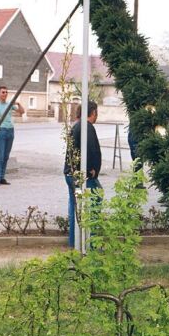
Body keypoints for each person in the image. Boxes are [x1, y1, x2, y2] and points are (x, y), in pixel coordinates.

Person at [64, 101, 103, 248]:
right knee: (93, 201)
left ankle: (75, 242)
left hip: (72, 174)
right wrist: (91, 169)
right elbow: (90, 150)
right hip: (82, 177)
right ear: (93, 113)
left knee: (76, 207)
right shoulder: (87, 128)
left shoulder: (76, 126)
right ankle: (90, 242)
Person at [0, 86, 25, 187]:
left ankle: (2, 177)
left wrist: (18, 104)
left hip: (10, 131)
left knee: (6, 156)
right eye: (3, 92)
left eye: (6, 92)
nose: (5, 94)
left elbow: (22, 112)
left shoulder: (9, 104)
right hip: (1, 131)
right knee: (0, 157)